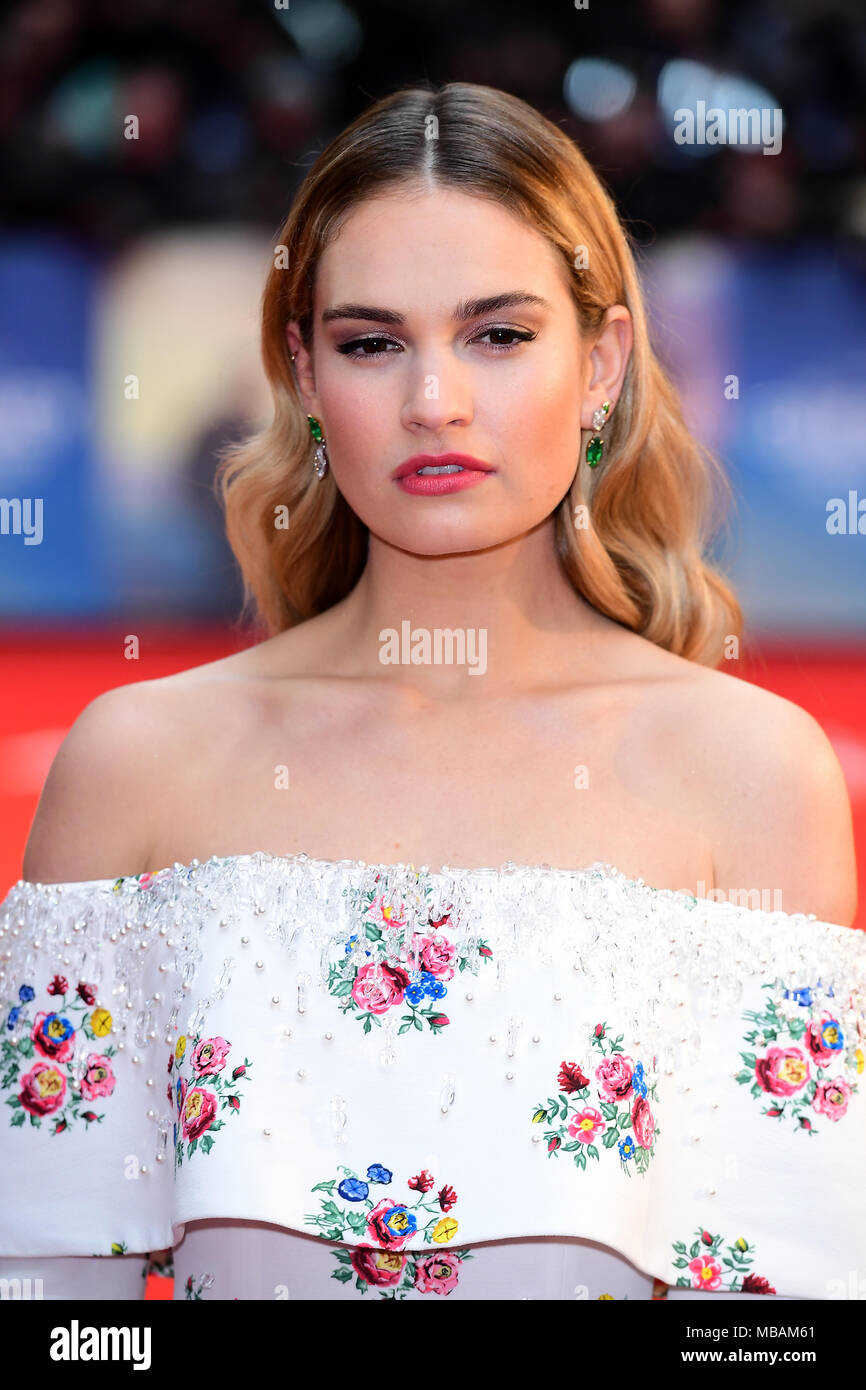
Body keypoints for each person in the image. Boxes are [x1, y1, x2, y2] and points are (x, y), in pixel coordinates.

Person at [0, 82, 862, 1303]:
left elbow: (786, 1312)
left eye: (498, 335)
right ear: (301, 376)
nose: (432, 402)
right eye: (371, 342)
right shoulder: (139, 759)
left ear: (603, 358)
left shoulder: (749, 770)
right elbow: (46, 1309)